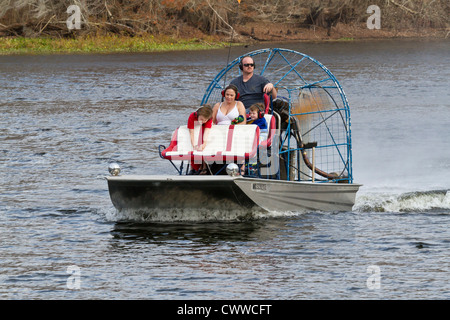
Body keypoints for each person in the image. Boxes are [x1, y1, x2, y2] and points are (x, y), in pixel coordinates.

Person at [187, 105, 213, 174]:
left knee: (204, 145)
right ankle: (192, 168)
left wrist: (204, 143)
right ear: (198, 115)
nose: (203, 121)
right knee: (190, 145)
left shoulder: (209, 119)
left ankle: (204, 167)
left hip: (204, 131)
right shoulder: (192, 116)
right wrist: (193, 145)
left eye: (205, 120)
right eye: (201, 119)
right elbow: (191, 132)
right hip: (195, 130)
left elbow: (206, 132)